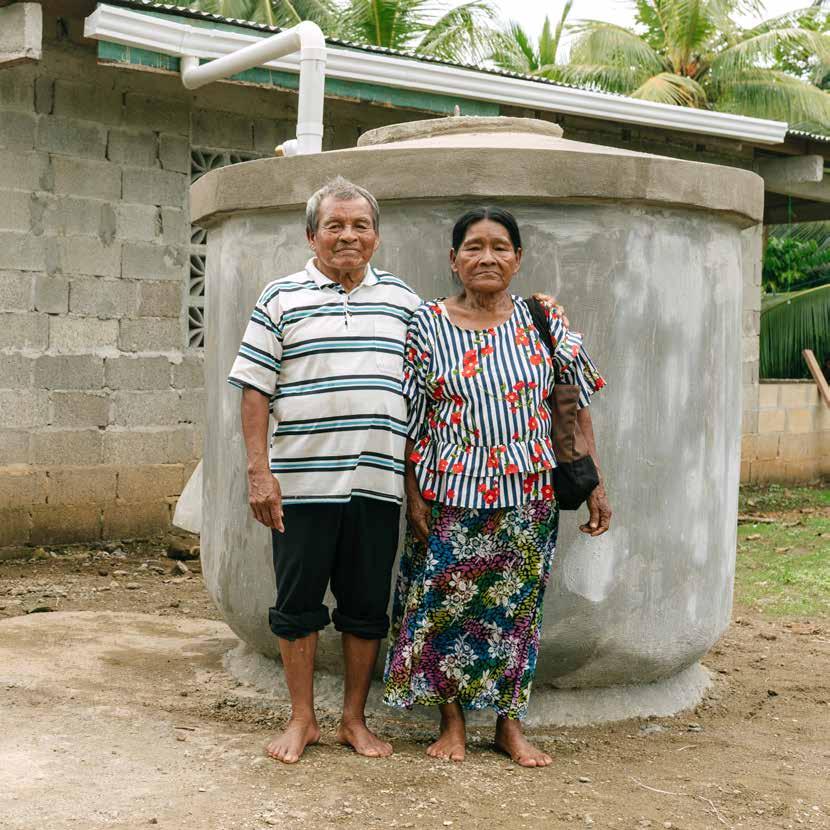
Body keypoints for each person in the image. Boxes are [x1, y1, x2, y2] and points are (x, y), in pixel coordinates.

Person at [383, 206, 612, 767]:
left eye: (500, 247)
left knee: (517, 612)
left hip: (528, 496)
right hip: (449, 495)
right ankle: (452, 723)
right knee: (441, 608)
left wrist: (594, 484)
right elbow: (411, 420)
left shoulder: (543, 318)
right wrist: (413, 493)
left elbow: (573, 405)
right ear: (453, 258)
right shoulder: (426, 325)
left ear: (517, 258)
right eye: (474, 247)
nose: (487, 257)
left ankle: (510, 726)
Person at [227, 176, 420, 764]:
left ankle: (353, 721)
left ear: (376, 237)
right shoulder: (280, 297)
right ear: (312, 236)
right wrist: (259, 473)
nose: (348, 236)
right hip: (301, 484)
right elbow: (255, 390)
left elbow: (429, 393)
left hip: (377, 484)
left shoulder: (404, 302)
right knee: (297, 604)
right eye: (334, 225)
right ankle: (302, 719)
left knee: (366, 608)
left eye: (360, 225)